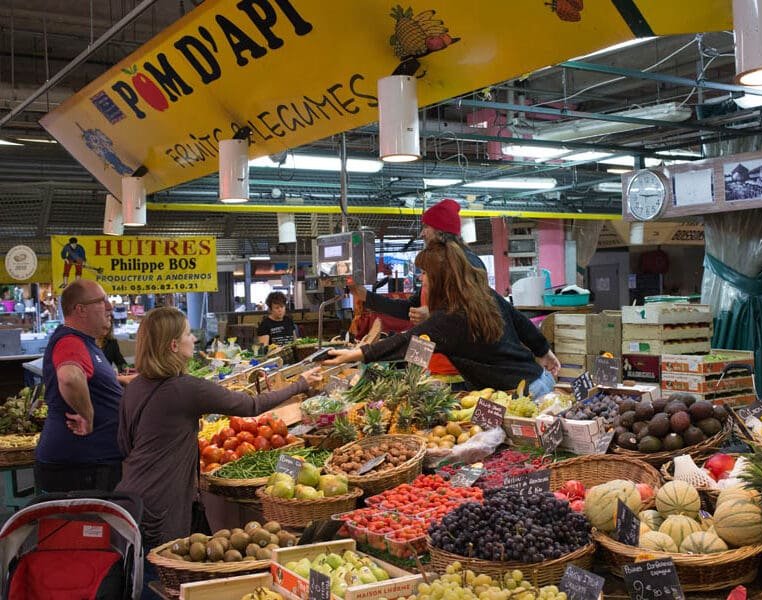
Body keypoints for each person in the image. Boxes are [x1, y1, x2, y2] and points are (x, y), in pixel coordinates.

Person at [115, 307, 322, 595]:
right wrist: (300, 384)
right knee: (163, 577)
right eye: (188, 333)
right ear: (174, 345)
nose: (193, 340)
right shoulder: (185, 389)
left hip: (131, 497)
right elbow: (250, 406)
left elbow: (124, 444)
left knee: (143, 572)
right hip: (163, 502)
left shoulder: (135, 387)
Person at [326, 240, 560, 395]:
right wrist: (544, 351)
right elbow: (519, 319)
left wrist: (355, 354)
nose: (422, 279)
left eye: (426, 273)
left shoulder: (449, 317)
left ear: (440, 278)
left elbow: (406, 340)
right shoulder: (480, 294)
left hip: (522, 394)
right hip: (538, 380)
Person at [351, 199, 485, 388]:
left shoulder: (469, 263)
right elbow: (410, 307)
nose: (422, 233)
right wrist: (367, 297)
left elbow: (475, 314)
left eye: (426, 227)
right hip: (431, 361)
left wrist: (433, 316)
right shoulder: (435, 263)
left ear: (440, 230)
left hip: (459, 369)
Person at [35, 280, 123, 492]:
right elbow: (70, 377)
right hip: (81, 469)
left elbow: (87, 378)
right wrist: (87, 415)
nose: (110, 307)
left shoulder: (85, 342)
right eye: (102, 301)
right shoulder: (70, 341)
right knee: (86, 525)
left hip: (89, 465)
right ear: (81, 310)